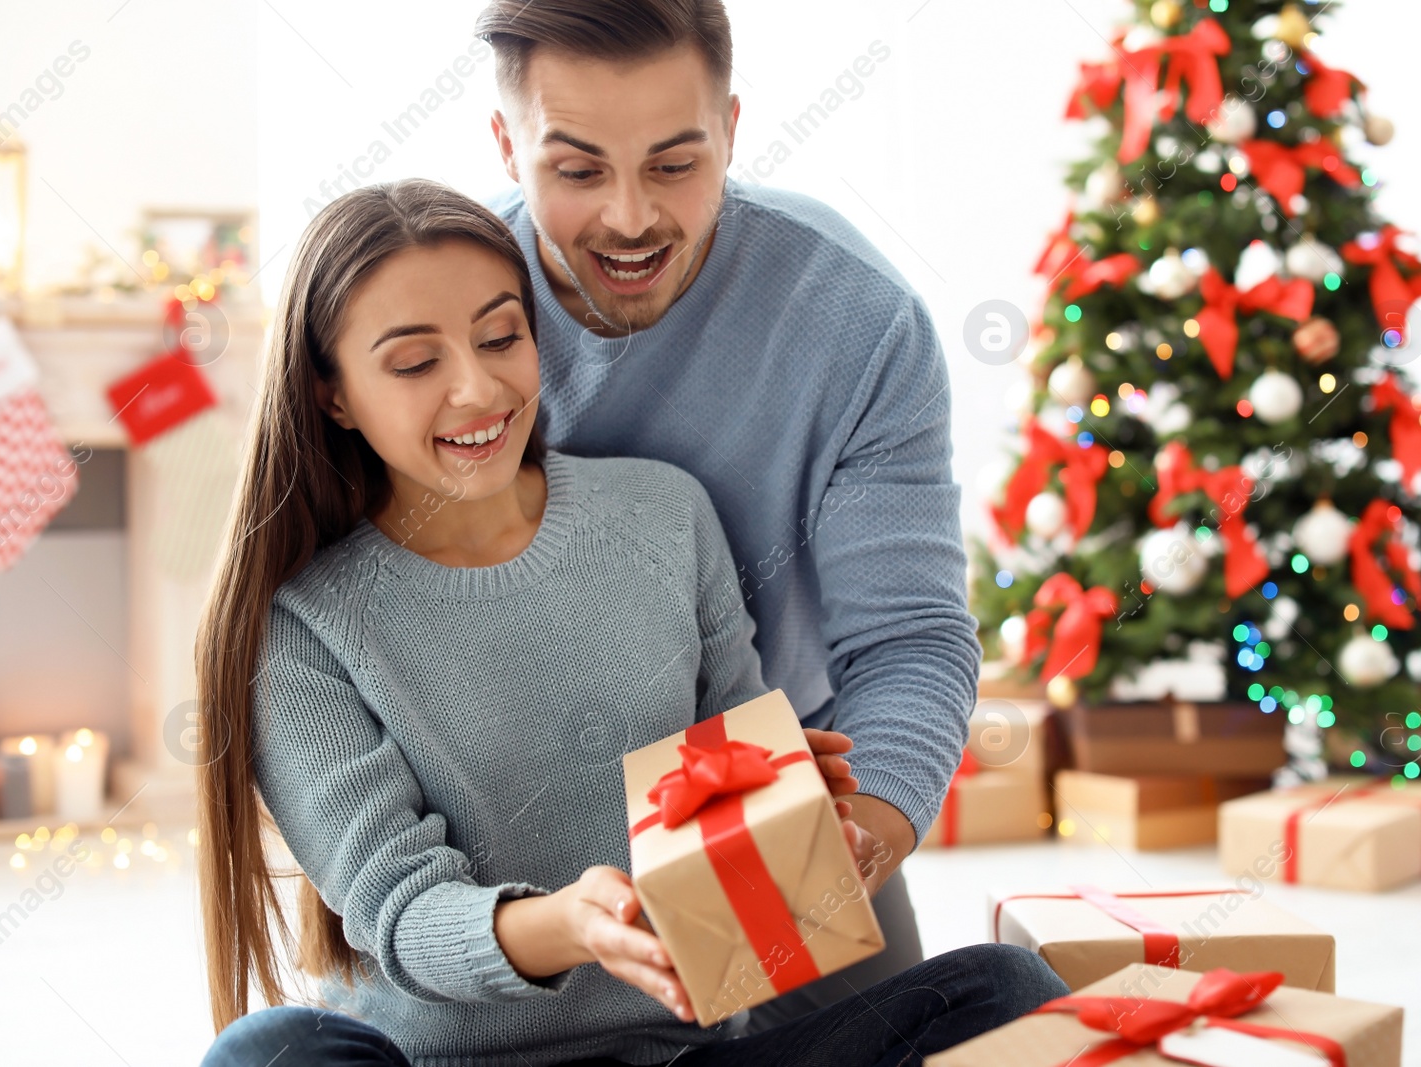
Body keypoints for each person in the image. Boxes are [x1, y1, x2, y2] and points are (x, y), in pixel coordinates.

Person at [195, 179, 1067, 1067]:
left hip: (676, 1057)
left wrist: (786, 828)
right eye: (415, 364)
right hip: (445, 1063)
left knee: (1008, 991)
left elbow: (741, 914)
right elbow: (404, 916)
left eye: (502, 337)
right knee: (271, 1050)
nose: (476, 386)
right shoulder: (304, 623)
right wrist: (574, 924)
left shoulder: (664, 513)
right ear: (333, 394)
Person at [474, 0, 981, 1031]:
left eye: (674, 164)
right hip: (503, 811)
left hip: (777, 794)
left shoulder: (856, 320)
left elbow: (911, 638)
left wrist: (855, 837)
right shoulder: (434, 311)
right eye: (575, 171)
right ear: (503, 145)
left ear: (734, 130)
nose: (627, 218)